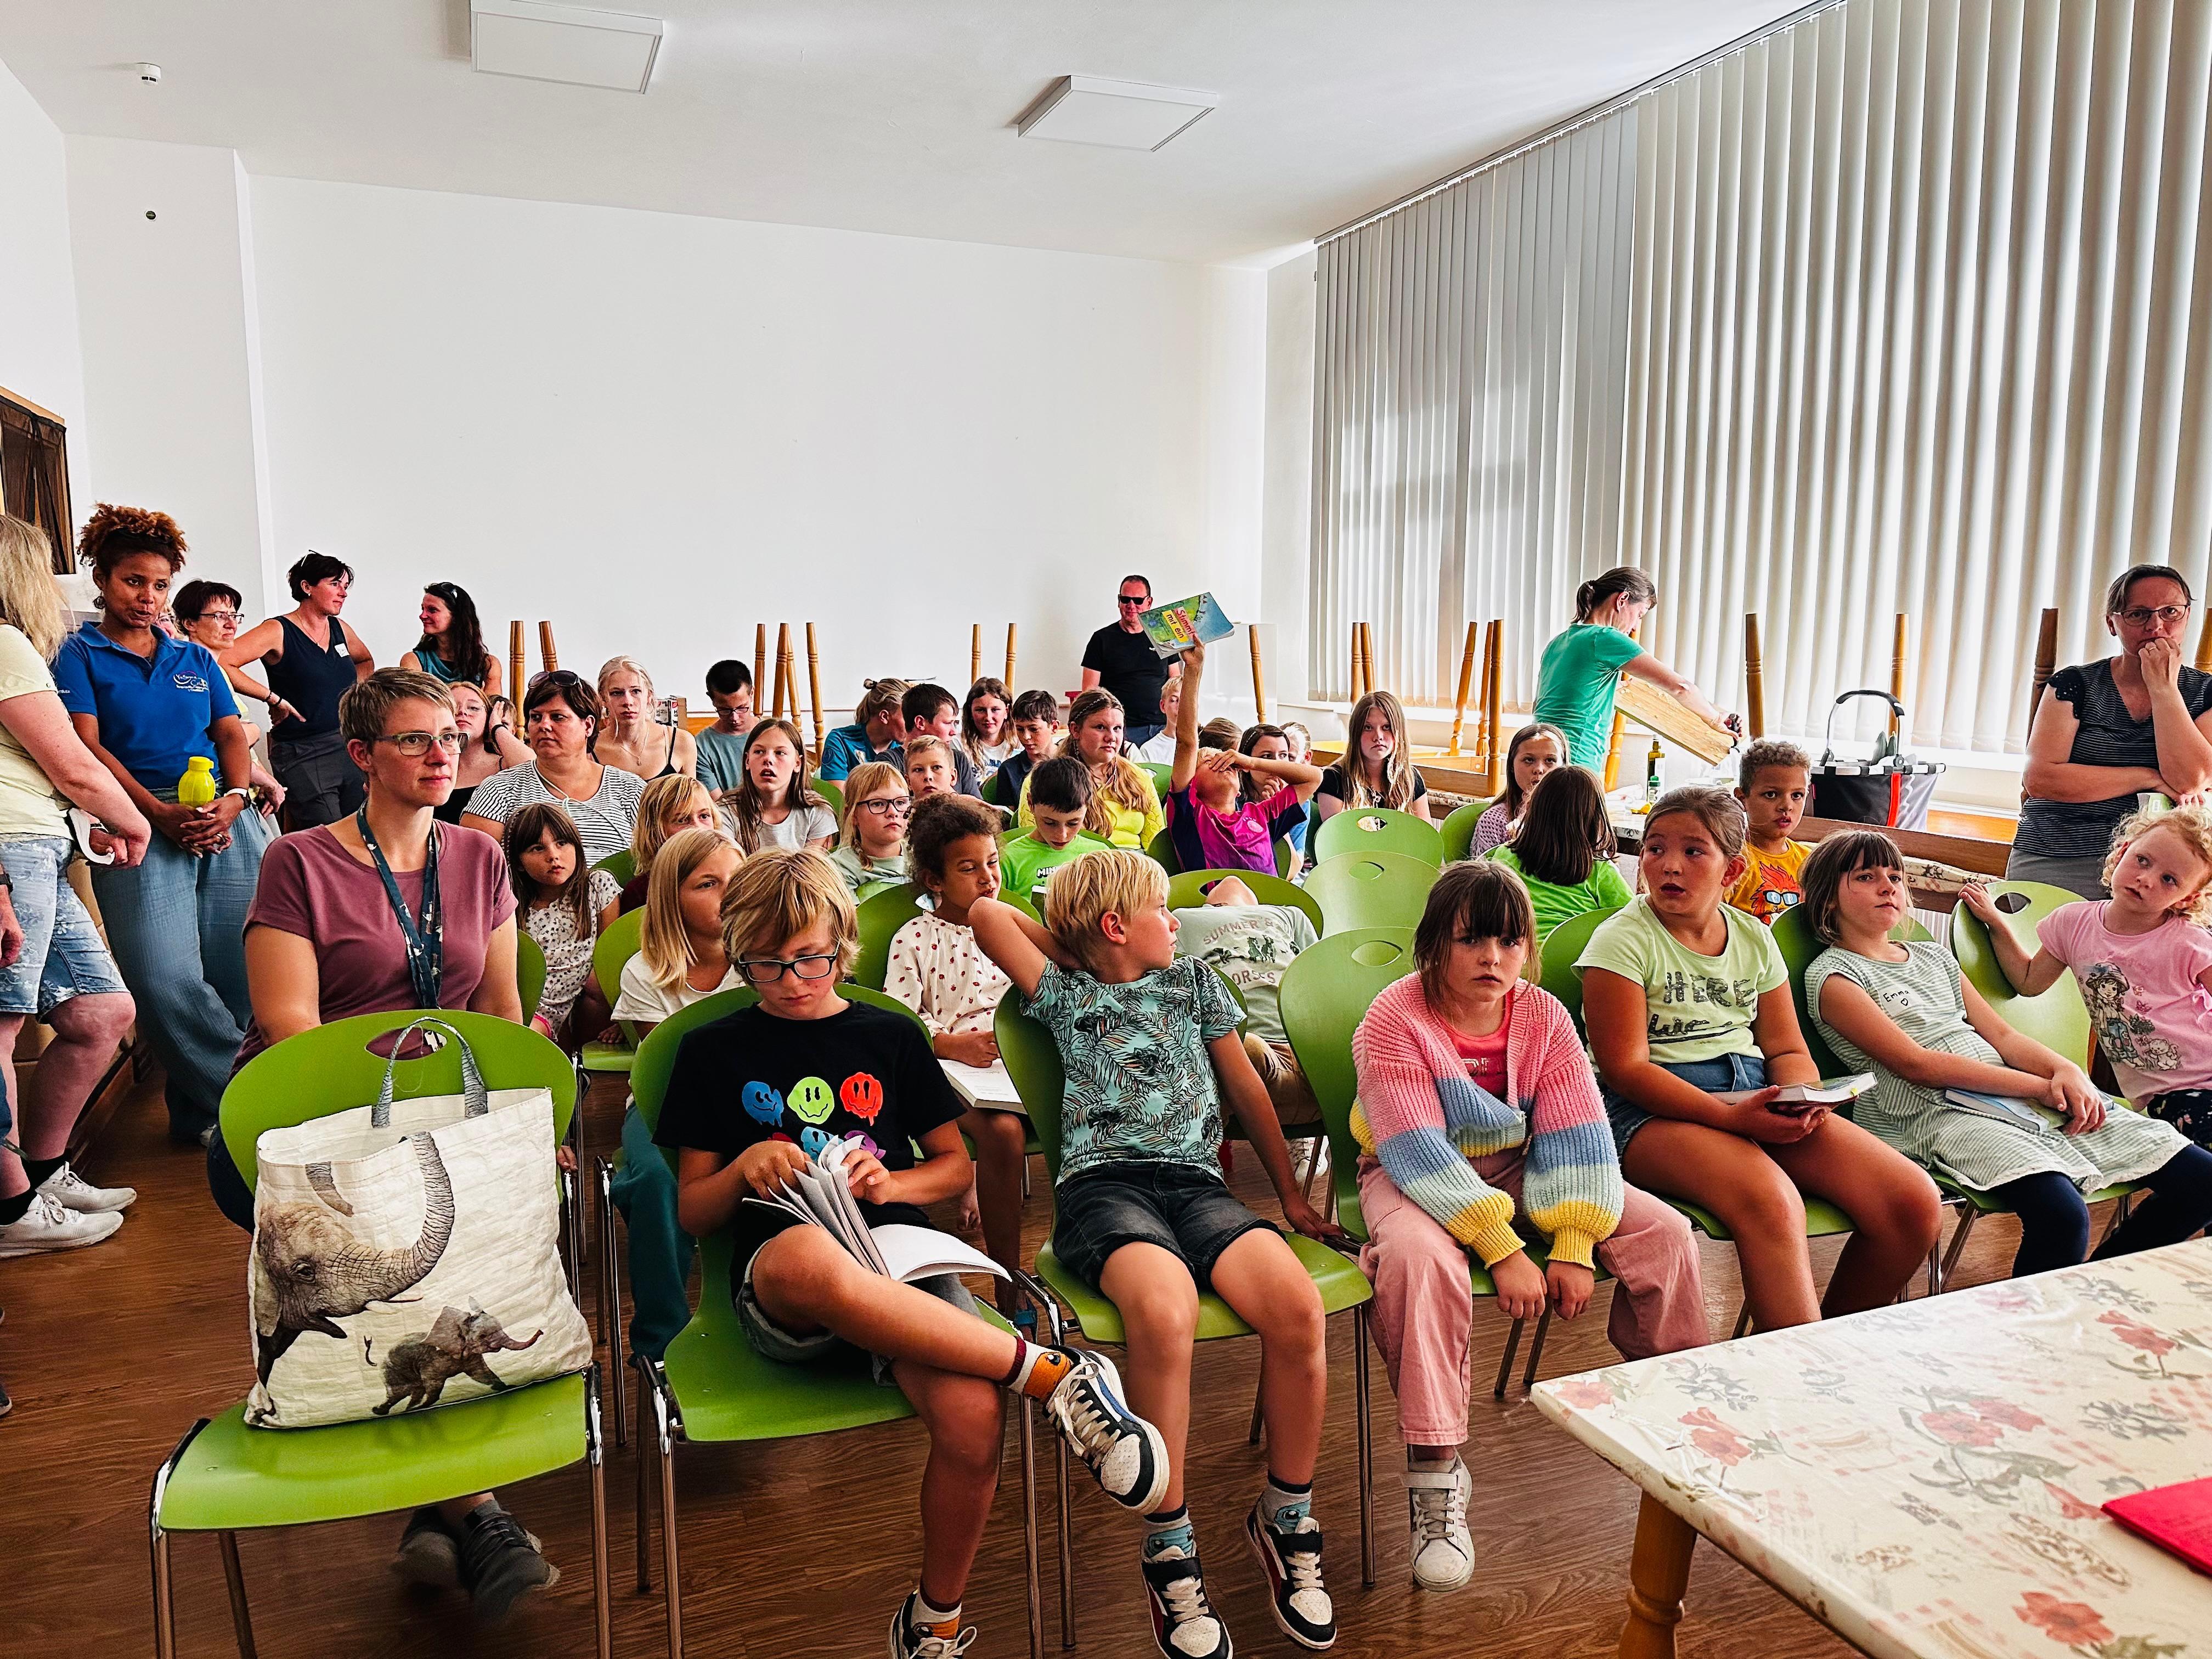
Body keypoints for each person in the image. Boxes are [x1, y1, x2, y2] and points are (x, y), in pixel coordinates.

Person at [656, 847, 1172, 1659]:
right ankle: (1052, 1373)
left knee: (974, 1417)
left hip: (896, 1261)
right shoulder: (712, 1050)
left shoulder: (889, 1034)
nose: (791, 981)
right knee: (806, 1257)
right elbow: (692, 1210)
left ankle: (934, 1620)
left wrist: (891, 1184)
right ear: (739, 956)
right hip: (784, 1288)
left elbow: (954, 1167)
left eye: (812, 959)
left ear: (844, 945)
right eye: (765, 965)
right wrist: (744, 1167)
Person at [213, 667, 551, 1617]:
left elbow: (500, 1011)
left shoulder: (479, 857)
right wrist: (402, 1136)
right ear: (361, 754)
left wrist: (524, 1131)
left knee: (472, 1251)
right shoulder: (299, 861)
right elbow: (292, 1030)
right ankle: (482, 1511)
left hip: (439, 1123)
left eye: (451, 736)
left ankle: (440, 1514)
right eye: (414, 739)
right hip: (311, 1135)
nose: (442, 754)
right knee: (422, 1259)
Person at [973, 853, 1345, 1657]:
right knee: (1165, 1311)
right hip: (1103, 1190)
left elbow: (1247, 1090)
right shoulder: (1065, 992)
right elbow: (986, 915)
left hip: (1197, 1187)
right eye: (1161, 911)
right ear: (1116, 926)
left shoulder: (1194, 984)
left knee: (1296, 1309)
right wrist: (1083, 948)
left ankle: (1285, 1516)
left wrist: (1289, 1197)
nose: (1177, 922)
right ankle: (1170, 1545)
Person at [1355, 862, 1706, 1591]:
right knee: (1421, 1262)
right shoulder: (1394, 1018)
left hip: (1525, 1166)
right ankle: (1436, 1469)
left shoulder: (1544, 1015)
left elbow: (1576, 1133)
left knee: (1666, 1234)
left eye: (1510, 942)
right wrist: (1504, 1249)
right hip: (1411, 1171)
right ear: (1434, 945)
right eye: (1472, 941)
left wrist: (1574, 1240)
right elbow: (1417, 1150)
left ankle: (1675, 1409)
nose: (1493, 958)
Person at [1578, 786, 1944, 1331]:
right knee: (1771, 1202)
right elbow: (1626, 1069)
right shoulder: (1622, 941)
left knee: (1911, 1201)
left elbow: (1787, 1049)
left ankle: (1825, 1346)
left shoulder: (1754, 937)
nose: (1669, 865)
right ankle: (1800, 1367)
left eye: (1693, 851)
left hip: (1752, 1096)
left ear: (1731, 871)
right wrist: (1729, 1118)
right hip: (1648, 1113)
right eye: (1655, 849)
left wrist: (1801, 1098)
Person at [1803, 830, 2212, 1277]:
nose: (1888, 887)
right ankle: (2050, 1314)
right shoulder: (1835, 978)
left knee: (2204, 1182)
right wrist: (2042, 1087)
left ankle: (2095, 1286)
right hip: (1937, 1112)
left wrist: (2067, 1071)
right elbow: (1916, 1065)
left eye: (1896, 877)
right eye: (1866, 877)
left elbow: (2004, 1036)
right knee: (2063, 1216)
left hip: (2015, 1096)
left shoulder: (1933, 957)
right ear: (1828, 899)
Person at [56, 504, 272, 1147]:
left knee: (240, 973)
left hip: (223, 817)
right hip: (135, 821)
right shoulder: (77, 654)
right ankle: (254, 1105)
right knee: (161, 978)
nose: (147, 597)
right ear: (102, 579)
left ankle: (198, 1113)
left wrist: (236, 798)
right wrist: (154, 815)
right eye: (133, 581)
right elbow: (87, 746)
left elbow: (229, 732)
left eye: (159, 585)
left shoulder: (194, 657)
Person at [0, 515, 152, 1260]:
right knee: (1, 1029)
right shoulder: (4, 641)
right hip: (10, 848)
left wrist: (83, 819)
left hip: (37, 843)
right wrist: (133, 821)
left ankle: (43, 1171)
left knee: (100, 1012)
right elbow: (74, 763)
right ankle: (11, 1210)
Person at [1963, 804, 2212, 1147]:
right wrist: (1997, 923)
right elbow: (2028, 981)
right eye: (2142, 860)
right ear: (2123, 851)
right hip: (2167, 1096)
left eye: (2169, 880)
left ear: (2188, 898)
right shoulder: (2073, 923)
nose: (2146, 879)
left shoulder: (2190, 942)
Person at [885, 795, 1023, 1311]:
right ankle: (1009, 1284)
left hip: (1016, 1063)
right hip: (946, 1070)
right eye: (969, 869)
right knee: (1004, 1132)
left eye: (992, 863)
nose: (988, 879)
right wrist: (949, 1043)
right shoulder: (916, 937)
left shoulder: (1011, 926)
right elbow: (899, 1020)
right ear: (934, 880)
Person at [606, 827, 739, 1360]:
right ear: (672, 897)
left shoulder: (764, 958)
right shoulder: (645, 971)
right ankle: (659, 1342)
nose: (727, 894)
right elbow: (663, 1070)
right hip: (663, 1101)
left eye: (735, 880)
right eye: (708, 884)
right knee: (658, 1180)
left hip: (753, 1096)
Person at [2008, 566, 2212, 896]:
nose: (2156, 626)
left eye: (2171, 612)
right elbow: (2041, 779)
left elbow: (2190, 780)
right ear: (2112, 623)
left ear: (2187, 616)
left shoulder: (2205, 692)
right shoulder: (2074, 684)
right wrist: (2147, 777)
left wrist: (2163, 688)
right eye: (2138, 614)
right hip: (2058, 850)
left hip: (2160, 867)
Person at [1532, 568, 1737, 772]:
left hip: (1541, 762)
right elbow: (1681, 688)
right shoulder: (1604, 638)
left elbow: (1567, 696)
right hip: (1575, 763)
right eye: (1640, 615)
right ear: (1622, 600)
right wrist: (1716, 720)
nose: (1636, 627)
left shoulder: (1558, 643)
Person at [225, 550, 375, 827]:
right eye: (334, 584)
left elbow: (365, 661)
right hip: (303, 751)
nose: (343, 593)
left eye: (345, 586)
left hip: (348, 744)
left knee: (360, 829)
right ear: (307, 587)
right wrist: (272, 699)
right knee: (328, 836)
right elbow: (224, 662)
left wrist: (357, 698)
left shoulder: (340, 628)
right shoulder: (278, 630)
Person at [1172, 876, 1321, 1131]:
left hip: (1304, 1056)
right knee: (1240, 1047)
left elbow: (1321, 974)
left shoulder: (1291, 915)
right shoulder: (1185, 919)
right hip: (1262, 1058)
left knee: (1239, 1048)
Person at [1163, 641, 1317, 876]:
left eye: (1231, 763)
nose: (1224, 763)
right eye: (1210, 761)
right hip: (1218, 899)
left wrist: (1251, 762)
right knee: (1233, 886)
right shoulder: (1191, 814)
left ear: (1238, 791)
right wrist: (1193, 669)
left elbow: (1314, 778)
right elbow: (1187, 743)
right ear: (1194, 784)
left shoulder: (1260, 815)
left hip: (1268, 899)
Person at [460, 672, 644, 865]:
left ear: (588, 726)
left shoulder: (629, 789)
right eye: (536, 717)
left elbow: (659, 862)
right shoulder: (499, 790)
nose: (544, 725)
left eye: (558, 717)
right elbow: (474, 868)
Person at [171, 579, 294, 816]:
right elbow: (213, 742)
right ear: (190, 623)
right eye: (219, 616)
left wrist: (265, 779)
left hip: (245, 786)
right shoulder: (189, 675)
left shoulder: (219, 671)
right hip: (216, 791)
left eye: (235, 616)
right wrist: (253, 734)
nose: (231, 624)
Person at [507, 802, 620, 1045]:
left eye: (562, 843)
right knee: (517, 1039)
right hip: (532, 1008)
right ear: (518, 863)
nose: (553, 856)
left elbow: (611, 956)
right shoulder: (513, 904)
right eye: (538, 848)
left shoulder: (597, 886)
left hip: (586, 1004)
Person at [1487, 766, 1632, 939]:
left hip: (1515, 952)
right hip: (1575, 956)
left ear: (1533, 809)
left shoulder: (1504, 855)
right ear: (1596, 819)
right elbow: (1636, 921)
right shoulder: (1601, 872)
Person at [1017, 690, 1162, 851]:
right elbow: (1033, 847)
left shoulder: (1139, 777)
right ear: (1075, 730)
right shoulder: (1043, 780)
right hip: (1074, 863)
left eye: (1117, 728)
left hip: (1135, 862)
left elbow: (1156, 845)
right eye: (1101, 727)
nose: (1111, 737)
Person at [1081, 574, 1178, 750]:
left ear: (1149, 602)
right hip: (1120, 731)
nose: (1131, 606)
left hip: (1163, 729)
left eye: (1138, 600)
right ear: (1119, 601)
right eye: (1125, 599)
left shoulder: (1164, 637)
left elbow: (1176, 684)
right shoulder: (1101, 639)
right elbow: (1089, 692)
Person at [1315, 690, 1430, 825]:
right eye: (1368, 728)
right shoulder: (1333, 779)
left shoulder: (1410, 778)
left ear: (1399, 732)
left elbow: (1425, 834)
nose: (1378, 737)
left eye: (1386, 727)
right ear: (1356, 733)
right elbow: (1336, 836)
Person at [1728, 740, 1813, 922]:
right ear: (1742, 799)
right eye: (1771, 795)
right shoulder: (1730, 859)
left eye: (1797, 795)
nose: (1787, 806)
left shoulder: (1811, 862)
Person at [723, 719, 836, 854]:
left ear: (797, 764)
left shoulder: (817, 813)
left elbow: (810, 867)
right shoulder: (726, 811)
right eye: (759, 751)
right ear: (748, 761)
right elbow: (727, 866)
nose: (768, 759)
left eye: (780, 753)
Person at [999, 758, 1099, 901]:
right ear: (1030, 804)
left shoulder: (1099, 855)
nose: (1062, 835)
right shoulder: (1007, 859)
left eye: (1073, 823)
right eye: (1050, 823)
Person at [618, 774, 721, 912]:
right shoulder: (640, 894)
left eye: (704, 816)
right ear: (655, 831)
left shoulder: (731, 874)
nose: (698, 827)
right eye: (682, 820)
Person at [437, 680, 528, 827]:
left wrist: (496, 727)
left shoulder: (504, 764)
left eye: (473, 708)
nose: (462, 712)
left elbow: (532, 766)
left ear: (488, 718)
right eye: (453, 707)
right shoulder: (432, 762)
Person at [1469, 723, 1567, 857]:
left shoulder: (1575, 817)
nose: (1539, 769)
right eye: (1529, 760)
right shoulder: (1494, 821)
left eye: (1550, 760)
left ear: (1564, 767)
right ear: (1512, 766)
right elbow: (1484, 870)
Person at [595, 656, 696, 783]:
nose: (628, 702)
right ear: (603, 699)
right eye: (617, 693)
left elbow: (694, 795)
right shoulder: (591, 749)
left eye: (636, 691)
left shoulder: (680, 742)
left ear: (649, 696)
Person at [399, 582, 500, 696]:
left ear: (456, 616)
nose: (422, 616)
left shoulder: (489, 665)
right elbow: (412, 703)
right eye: (423, 609)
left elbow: (495, 705)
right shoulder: (414, 661)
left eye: (432, 610)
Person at [828, 760, 909, 891]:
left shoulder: (924, 856)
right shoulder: (838, 868)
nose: (893, 812)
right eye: (878, 804)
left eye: (900, 803)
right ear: (853, 815)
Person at [818, 679, 908, 782]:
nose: (913, 724)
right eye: (907, 717)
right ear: (884, 717)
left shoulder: (907, 746)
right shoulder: (840, 741)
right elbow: (836, 792)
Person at [902, 684, 983, 797]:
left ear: (953, 776)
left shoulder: (958, 758)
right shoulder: (890, 762)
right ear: (920, 723)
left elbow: (978, 805)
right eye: (948, 723)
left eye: (937, 767)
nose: (953, 732)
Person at [694, 659, 756, 797]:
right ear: (712, 700)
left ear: (752, 693)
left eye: (742, 708)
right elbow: (718, 803)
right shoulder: (701, 746)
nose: (735, 718)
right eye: (725, 710)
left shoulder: (774, 734)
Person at [994, 690, 1060, 810]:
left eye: (1034, 729)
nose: (1026, 737)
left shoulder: (1073, 761)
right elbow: (1008, 817)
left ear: (1054, 727)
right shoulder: (1008, 770)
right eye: (1020, 729)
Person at [960, 678, 1017, 780]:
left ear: (1007, 711)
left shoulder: (1019, 744)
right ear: (971, 712)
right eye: (980, 710)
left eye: (995, 710)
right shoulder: (958, 744)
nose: (988, 718)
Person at [904, 735, 964, 804]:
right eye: (919, 770)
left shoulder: (969, 810)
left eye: (937, 767)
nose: (928, 776)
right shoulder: (902, 811)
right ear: (909, 782)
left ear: (953, 777)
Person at [1135, 680, 1182, 765]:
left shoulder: (1202, 742)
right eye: (1174, 700)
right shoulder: (1149, 750)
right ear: (1163, 706)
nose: (1180, 705)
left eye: (1186, 700)